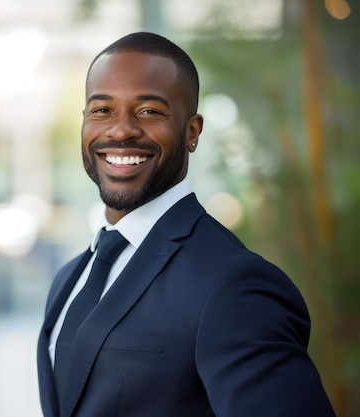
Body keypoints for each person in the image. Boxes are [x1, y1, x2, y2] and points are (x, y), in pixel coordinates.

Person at [36, 32, 336, 417]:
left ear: (192, 131)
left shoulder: (234, 284)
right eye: (102, 110)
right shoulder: (69, 278)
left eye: (148, 111)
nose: (121, 130)